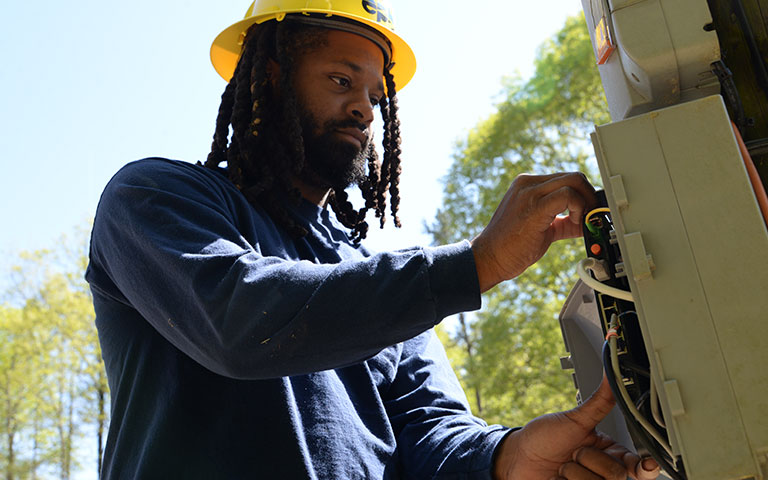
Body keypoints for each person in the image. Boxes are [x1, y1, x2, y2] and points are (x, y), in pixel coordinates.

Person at [86, 1, 662, 479]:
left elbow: (429, 430)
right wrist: (477, 263)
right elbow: (239, 321)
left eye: (375, 95)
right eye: (342, 80)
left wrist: (507, 457)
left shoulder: (383, 285)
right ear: (267, 75)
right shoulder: (153, 198)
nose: (364, 108)